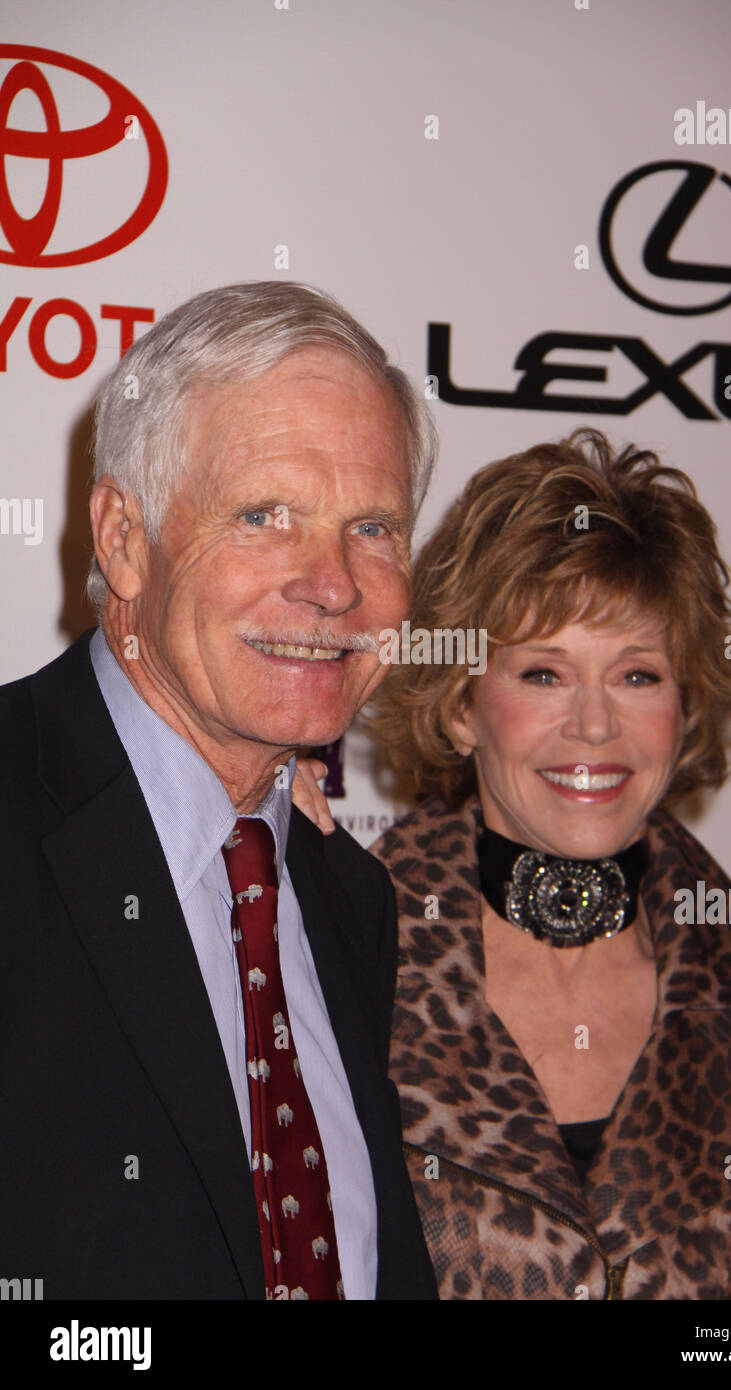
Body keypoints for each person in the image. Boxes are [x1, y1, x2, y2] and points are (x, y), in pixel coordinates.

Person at [0, 281, 439, 1300]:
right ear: (121, 537)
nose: (333, 583)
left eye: (373, 526)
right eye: (263, 515)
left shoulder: (344, 895)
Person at [364, 428, 731, 1300]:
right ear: (460, 709)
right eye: (544, 675)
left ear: (686, 706)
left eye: (637, 676)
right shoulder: (334, 965)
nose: (595, 727)